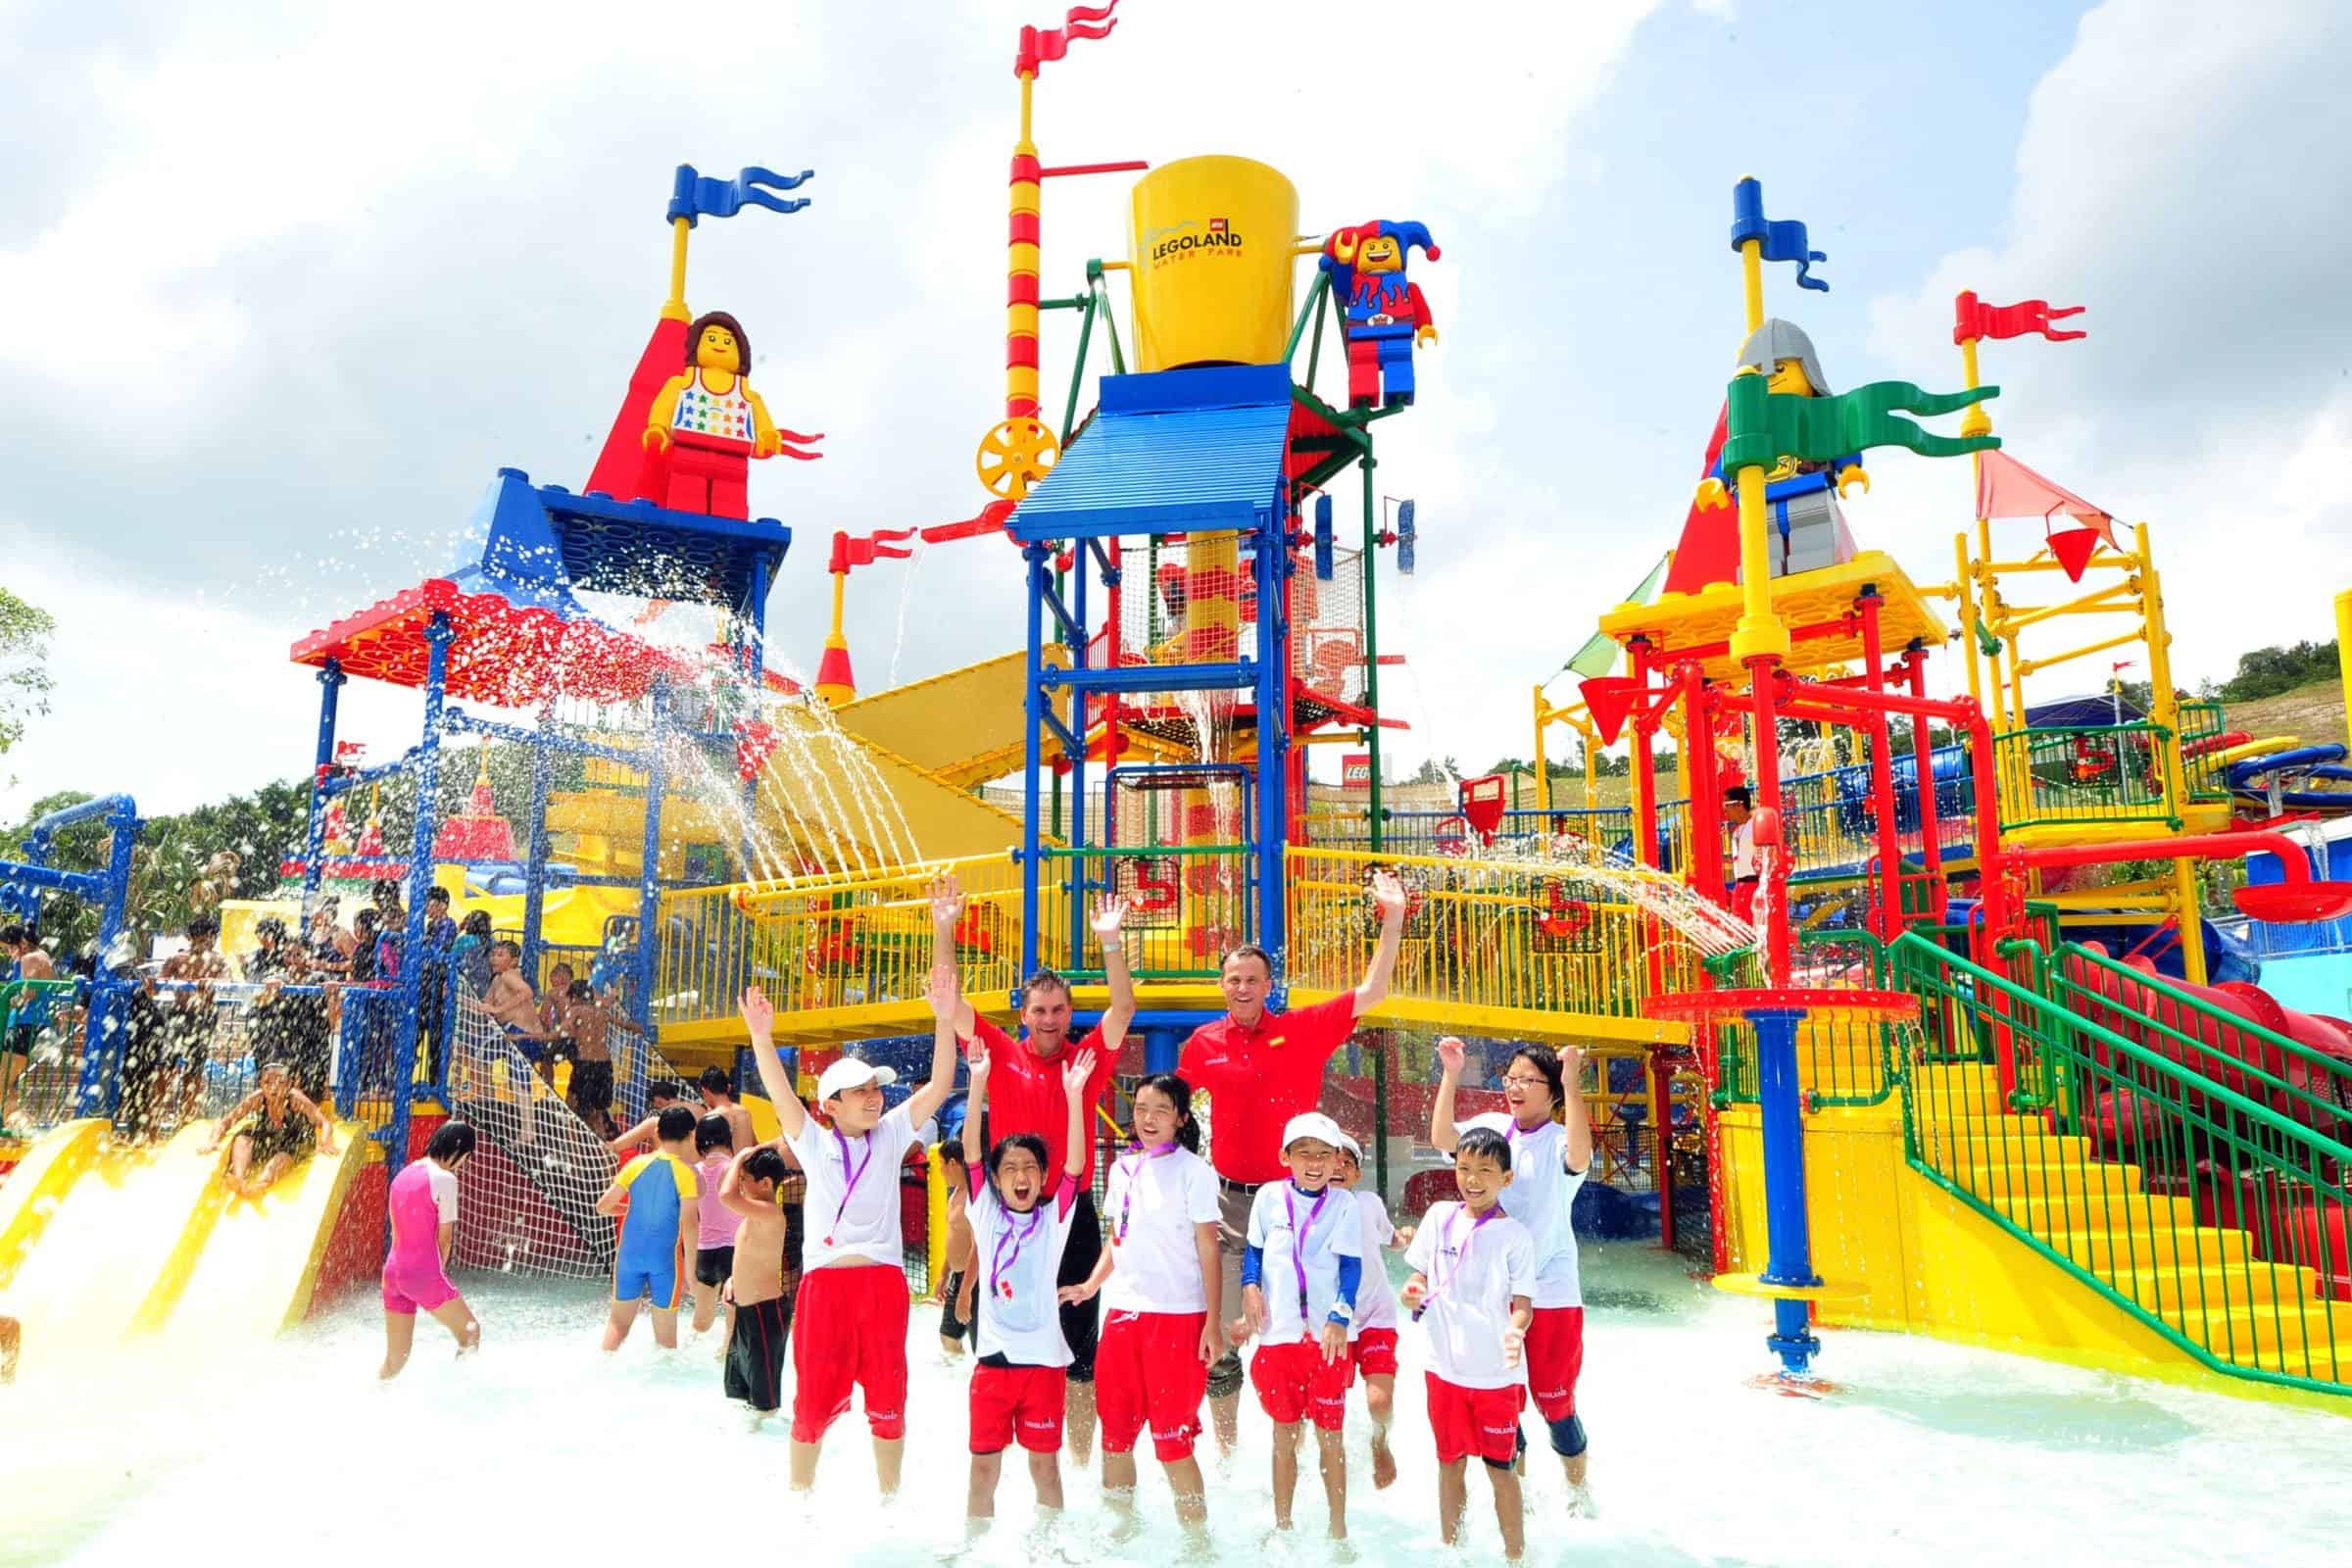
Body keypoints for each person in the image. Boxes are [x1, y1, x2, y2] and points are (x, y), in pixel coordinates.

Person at [1180, 867, 1408, 1450]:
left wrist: (1393, 919)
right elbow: (1170, 1114)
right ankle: (1228, 1455)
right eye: (1233, 979)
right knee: (1221, 1338)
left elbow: (1373, 991)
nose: (1242, 988)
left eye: (1252, 979)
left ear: (1268, 985)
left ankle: (1303, 1451)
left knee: (1302, 1332)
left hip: (1298, 1204)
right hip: (1231, 1205)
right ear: (1222, 985)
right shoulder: (1203, 1044)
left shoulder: (1302, 1031)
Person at [927, 871, 1135, 1461]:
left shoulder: (1085, 1059)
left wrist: (1110, 941)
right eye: (1039, 1010)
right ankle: (1008, 1461)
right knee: (1003, 1347)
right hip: (1008, 1215)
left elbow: (1123, 1007)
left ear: (1070, 1014)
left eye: (1059, 1010)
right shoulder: (998, 1050)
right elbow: (949, 1002)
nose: (1049, 1019)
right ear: (1023, 1015)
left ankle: (1078, 1462)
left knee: (1080, 1350)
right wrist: (944, 929)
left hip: (1069, 1215)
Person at [743, 971, 958, 1495]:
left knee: (889, 1398)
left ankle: (890, 1497)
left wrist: (944, 1019)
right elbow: (779, 1094)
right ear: (831, 1105)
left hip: (883, 1285)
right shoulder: (814, 1142)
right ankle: (801, 1497)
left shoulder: (893, 1132)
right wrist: (762, 1037)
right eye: (860, 1091)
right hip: (825, 1288)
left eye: (875, 1089)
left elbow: (940, 1084)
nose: (873, 1098)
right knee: (812, 1402)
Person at [1431, 1035, 1595, 1514]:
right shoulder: (1493, 1129)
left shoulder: (1560, 1139)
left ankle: (1578, 1492)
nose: (1515, 1087)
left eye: (1528, 1080)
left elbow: (1580, 1158)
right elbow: (1443, 1139)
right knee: (1501, 1395)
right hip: (1495, 1291)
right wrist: (1450, 1074)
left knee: (1555, 1403)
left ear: (1552, 1091)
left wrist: (1572, 1083)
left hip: (1550, 1290)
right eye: (1511, 1078)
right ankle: (1520, 1505)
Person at [1058, 1072, 1221, 1531]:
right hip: (1124, 1315)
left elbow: (1208, 1248)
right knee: (1114, 1436)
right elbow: (1118, 1237)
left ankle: (1197, 1544)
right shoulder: (1122, 1169)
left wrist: (1212, 1323)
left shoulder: (1195, 1172)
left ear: (1181, 1118)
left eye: (1161, 1110)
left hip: (1178, 1318)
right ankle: (1119, 1535)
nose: (1149, 1119)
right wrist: (1091, 1285)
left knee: (1172, 1441)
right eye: (1142, 1109)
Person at [958, 1031, 1096, 1529]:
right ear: (996, 1180)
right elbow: (972, 1152)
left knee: (1046, 1471)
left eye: (1031, 1169)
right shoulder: (985, 1213)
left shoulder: (1053, 1220)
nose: (1022, 1176)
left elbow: (1076, 1166)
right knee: (982, 1475)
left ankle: (1050, 1551)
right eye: (1011, 1168)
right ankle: (976, 1551)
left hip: (1042, 1367)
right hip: (993, 1368)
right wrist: (978, 1082)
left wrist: (1075, 1097)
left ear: (1042, 1177)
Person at [1400, 1126, 1539, 1561]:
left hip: (1496, 1377)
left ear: (1506, 1178)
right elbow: (1420, 1273)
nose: (1472, 1179)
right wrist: (1413, 1288)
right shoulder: (1439, 1216)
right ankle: (1452, 1553)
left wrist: (1515, 1331)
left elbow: (1523, 1304)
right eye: (1464, 1168)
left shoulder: (1515, 1235)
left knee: (1501, 1469)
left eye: (1485, 1170)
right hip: (1444, 1369)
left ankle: (1515, 1556)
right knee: (1449, 1463)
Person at [1238, 1111, 1363, 1541]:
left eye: (1324, 1154)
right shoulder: (1269, 1197)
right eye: (1304, 1153)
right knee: (1283, 1434)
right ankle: (1283, 1524)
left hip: (1327, 1339)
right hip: (1280, 1335)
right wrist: (1250, 1287)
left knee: (1331, 1436)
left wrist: (1339, 1317)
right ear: (1285, 1157)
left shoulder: (1344, 1205)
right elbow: (1254, 1251)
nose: (1314, 1163)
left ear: (1337, 1160)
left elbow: (1351, 1267)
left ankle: (1338, 1527)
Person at [1334, 1133, 1413, 1490]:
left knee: (1379, 1402)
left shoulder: (1368, 1203)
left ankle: (1380, 1442)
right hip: (1331, 1322)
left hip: (1375, 1315)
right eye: (1331, 1159)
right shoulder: (1306, 1209)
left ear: (1357, 1174)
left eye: (1347, 1163)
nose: (1338, 1167)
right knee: (1325, 1406)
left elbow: (1389, 1238)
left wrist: (1404, 1238)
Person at [380, 1119, 484, 1378]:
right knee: (470, 1332)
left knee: (395, 1360)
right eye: (466, 1157)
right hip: (422, 1273)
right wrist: (437, 1278)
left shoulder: (403, 1175)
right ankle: (459, 1391)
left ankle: (374, 1392)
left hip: (392, 1273)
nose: (464, 1164)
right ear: (459, 1150)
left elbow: (397, 1229)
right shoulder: (445, 1179)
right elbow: (445, 1238)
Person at [595, 1103, 702, 1351]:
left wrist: (629, 1210)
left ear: (657, 1133)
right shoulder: (686, 1174)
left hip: (628, 1257)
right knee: (666, 1342)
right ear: (690, 1136)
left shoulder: (636, 1164)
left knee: (618, 1326)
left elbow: (602, 1206)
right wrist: (691, 1274)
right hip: (664, 1261)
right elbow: (690, 1225)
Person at [717, 1143, 797, 1422]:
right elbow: (751, 1253)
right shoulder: (755, 1215)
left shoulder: (771, 1213)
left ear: (765, 1183)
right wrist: (733, 1279)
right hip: (746, 1311)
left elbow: (725, 1196)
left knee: (765, 1405)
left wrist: (738, 1157)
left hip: (766, 1313)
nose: (740, 1184)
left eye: (744, 1179)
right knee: (739, 1393)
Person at [200, 1062, 338, 1197]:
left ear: (289, 1084)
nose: (273, 1088)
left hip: (292, 1144)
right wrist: (213, 1141)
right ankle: (239, 1178)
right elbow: (224, 1122)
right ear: (261, 1084)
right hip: (268, 1141)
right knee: (242, 1138)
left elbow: (325, 1123)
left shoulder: (296, 1099)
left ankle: (260, 1185)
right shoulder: (257, 1098)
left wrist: (326, 1142)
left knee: (281, 1157)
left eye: (280, 1082)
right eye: (267, 1083)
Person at [3, 923, 59, 1132]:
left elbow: (29, 992)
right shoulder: (43, 955)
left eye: (9, 948)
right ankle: (13, 1126)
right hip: (36, 1024)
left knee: (3, 1081)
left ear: (23, 943)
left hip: (26, 1024)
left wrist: (10, 1001)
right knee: (8, 1083)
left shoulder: (29, 958)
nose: (9, 954)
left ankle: (21, 1126)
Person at [690, 1112, 739, 1342]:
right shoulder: (732, 1168)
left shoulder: (695, 1170)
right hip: (733, 1249)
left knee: (701, 1322)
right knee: (733, 1317)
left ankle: (685, 1349)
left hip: (705, 1251)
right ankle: (724, 1355)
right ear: (727, 1137)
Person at [561, 979, 618, 1137]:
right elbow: (612, 1005)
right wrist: (613, 993)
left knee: (571, 1108)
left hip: (586, 1064)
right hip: (604, 1065)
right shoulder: (602, 1011)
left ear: (575, 996)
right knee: (597, 1114)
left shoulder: (576, 1010)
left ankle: (572, 1145)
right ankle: (603, 1145)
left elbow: (563, 1031)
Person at [937, 1139, 977, 1358]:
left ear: (952, 1163)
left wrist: (966, 1289)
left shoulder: (973, 1197)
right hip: (957, 1276)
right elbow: (953, 1240)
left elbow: (976, 1246)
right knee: (948, 1339)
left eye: (941, 1164)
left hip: (973, 1278)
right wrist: (943, 1274)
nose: (940, 1170)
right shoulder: (955, 1194)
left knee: (979, 1342)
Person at [607, 1080, 693, 1154]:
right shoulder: (694, 1109)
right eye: (654, 1103)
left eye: (659, 1103)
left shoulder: (655, 1117)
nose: (656, 1105)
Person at [696, 1064, 757, 1153]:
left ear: (704, 1091)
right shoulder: (744, 1112)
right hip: (748, 1161)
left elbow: (705, 1154)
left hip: (729, 1162)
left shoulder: (710, 1119)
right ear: (728, 1088)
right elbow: (755, 1145)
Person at [1726, 785, 1759, 924]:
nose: (1725, 810)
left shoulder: (1756, 825)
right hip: (1740, 886)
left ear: (1739, 804)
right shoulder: (1737, 832)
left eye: (1726, 805)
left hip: (1754, 884)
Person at [449, 909, 494, 997]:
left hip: (466, 982)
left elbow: (452, 957)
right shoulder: (492, 940)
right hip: (485, 983)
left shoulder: (465, 940)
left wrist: (458, 930)